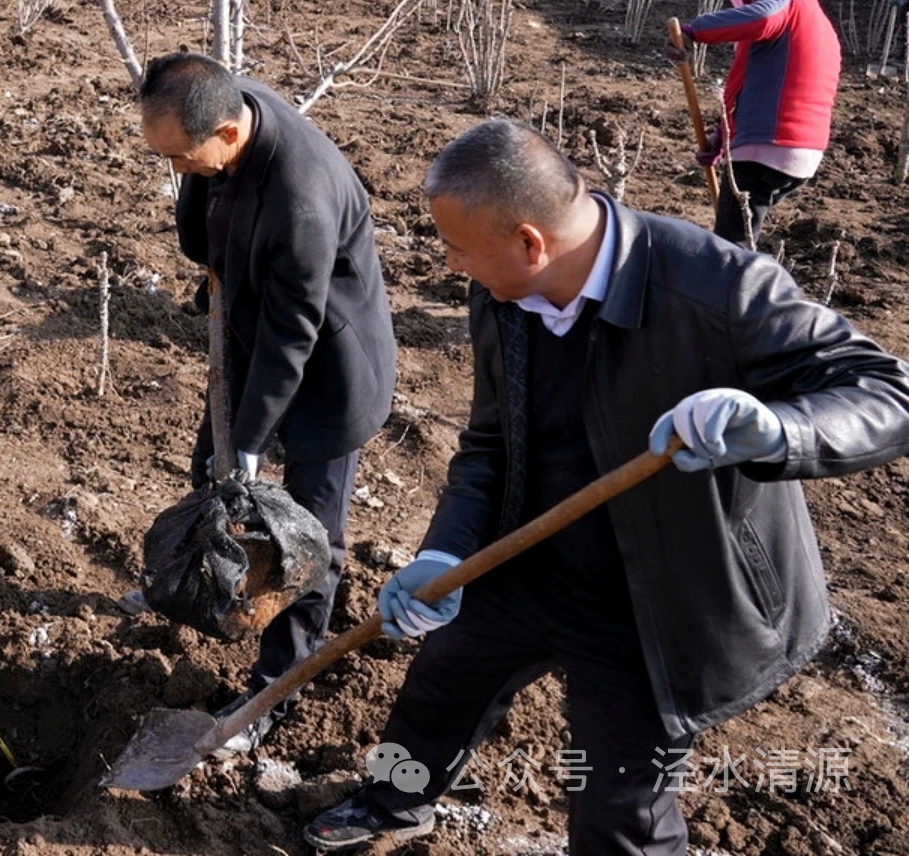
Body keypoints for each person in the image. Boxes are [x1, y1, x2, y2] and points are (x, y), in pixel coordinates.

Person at [304, 120, 909, 854]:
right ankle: (392, 801)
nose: (453, 265)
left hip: (660, 599)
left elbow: (885, 393)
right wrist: (444, 555)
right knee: (439, 690)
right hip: (532, 556)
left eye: (459, 249)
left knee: (620, 812)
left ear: (531, 242)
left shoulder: (717, 288)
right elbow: (490, 443)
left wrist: (779, 430)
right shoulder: (504, 292)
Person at [137, 53, 397, 755]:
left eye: (183, 159)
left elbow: (295, 337)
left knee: (309, 538)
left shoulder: (301, 198)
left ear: (226, 133)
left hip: (330, 368)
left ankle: (282, 678)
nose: (177, 170)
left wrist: (251, 442)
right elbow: (201, 210)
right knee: (213, 480)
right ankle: (209, 592)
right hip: (254, 328)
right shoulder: (219, 111)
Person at [667, 0, 840, 249]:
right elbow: (756, 83)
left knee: (731, 252)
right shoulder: (812, 16)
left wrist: (696, 31)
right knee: (742, 237)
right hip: (801, 151)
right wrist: (725, 137)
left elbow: (760, 18)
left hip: (770, 145)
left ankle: (743, 294)